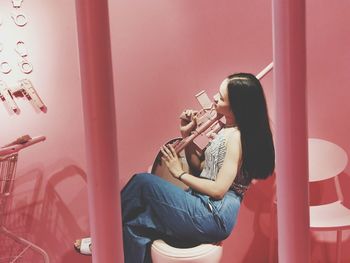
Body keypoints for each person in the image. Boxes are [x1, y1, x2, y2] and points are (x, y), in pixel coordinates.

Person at [74, 73, 275, 262]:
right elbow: (202, 167)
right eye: (218, 93)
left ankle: (103, 239)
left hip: (214, 213)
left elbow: (218, 189)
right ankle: (109, 245)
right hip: (204, 204)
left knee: (143, 183)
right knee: (136, 224)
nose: (214, 98)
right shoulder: (227, 130)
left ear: (236, 108)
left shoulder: (237, 138)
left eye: (221, 99)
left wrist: (179, 172)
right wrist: (187, 134)